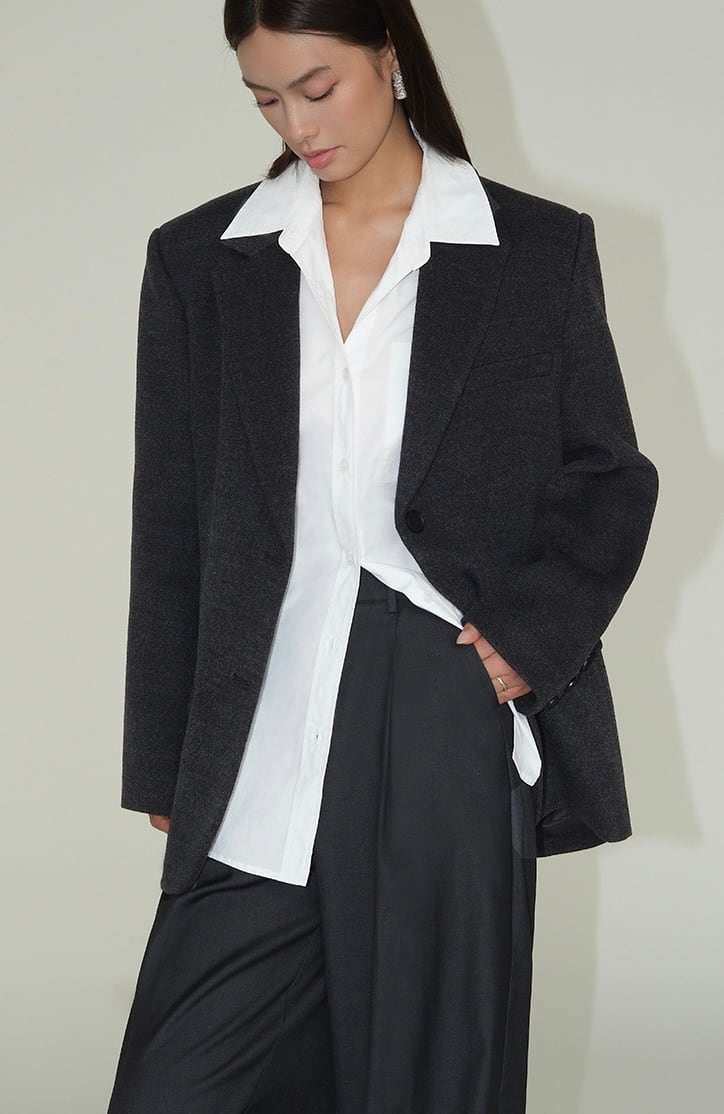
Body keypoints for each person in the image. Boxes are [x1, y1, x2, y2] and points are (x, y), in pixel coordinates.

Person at [107, 2, 658, 1111]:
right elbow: (169, 519)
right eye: (267, 99)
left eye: (319, 88)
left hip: (443, 694)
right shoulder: (200, 261)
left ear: (390, 57)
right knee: (176, 1083)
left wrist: (528, 634)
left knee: (429, 1080)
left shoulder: (533, 250)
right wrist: (165, 751)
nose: (298, 125)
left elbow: (609, 474)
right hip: (263, 706)